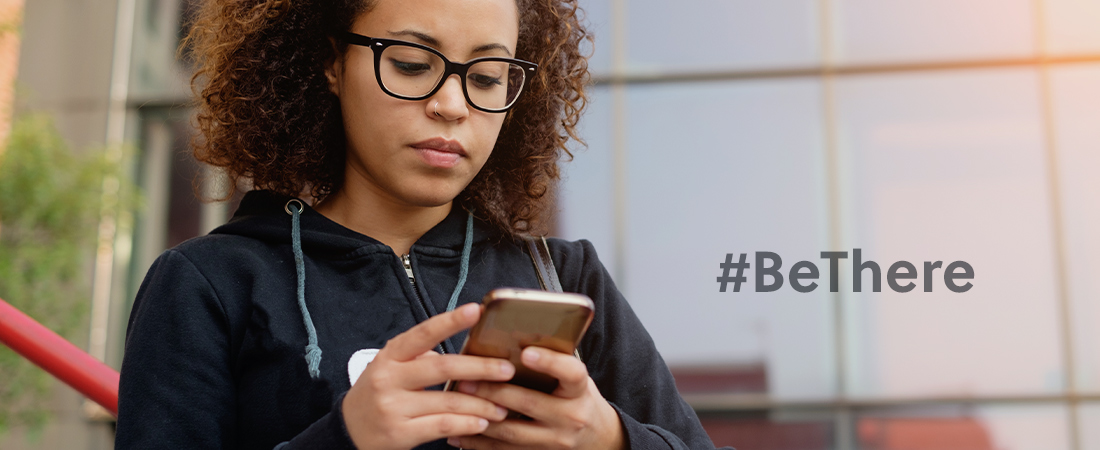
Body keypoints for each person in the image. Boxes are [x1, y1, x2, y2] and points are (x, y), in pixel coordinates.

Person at [116, 0, 728, 449]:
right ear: (331, 64)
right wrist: (346, 438)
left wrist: (608, 440)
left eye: (487, 77)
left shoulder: (565, 277)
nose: (453, 104)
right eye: (411, 64)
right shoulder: (210, 282)